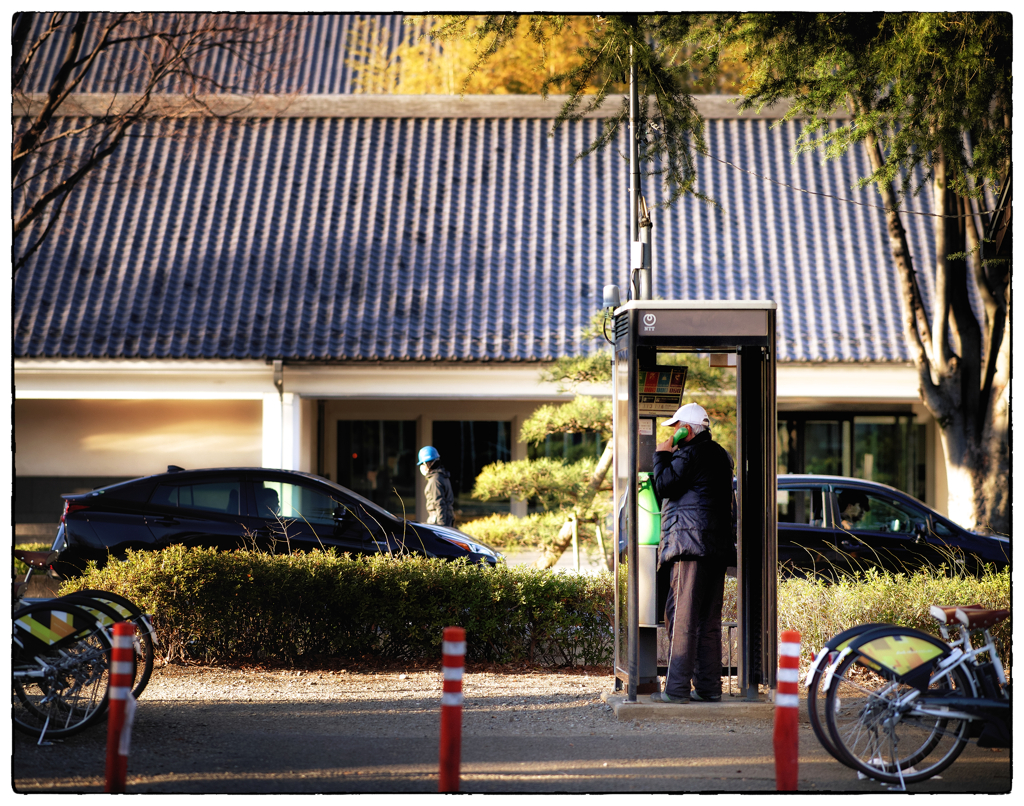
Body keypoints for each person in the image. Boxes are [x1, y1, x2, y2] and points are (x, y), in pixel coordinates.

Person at [649, 402, 735, 704]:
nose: (672, 432)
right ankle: (709, 688)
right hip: (715, 548)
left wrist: (661, 454)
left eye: (676, 427)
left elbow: (664, 486)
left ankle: (675, 690)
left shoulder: (690, 453)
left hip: (689, 546)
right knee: (708, 620)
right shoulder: (721, 455)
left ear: (688, 429)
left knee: (682, 617)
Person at [417, 446, 455, 527]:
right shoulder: (442, 476)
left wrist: (442, 527)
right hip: (446, 518)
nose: (421, 467)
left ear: (427, 463)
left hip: (438, 520)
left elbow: (439, 504)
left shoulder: (435, 480)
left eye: (422, 464)